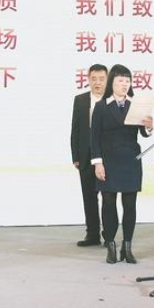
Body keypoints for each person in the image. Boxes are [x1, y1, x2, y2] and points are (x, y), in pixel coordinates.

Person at [91, 64, 154, 264]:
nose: (125, 84)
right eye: (120, 80)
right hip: (108, 161)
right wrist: (98, 163)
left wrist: (149, 127)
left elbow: (143, 133)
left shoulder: (135, 105)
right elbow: (94, 138)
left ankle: (127, 247)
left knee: (130, 204)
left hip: (130, 160)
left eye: (127, 81)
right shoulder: (101, 106)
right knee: (108, 204)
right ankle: (110, 245)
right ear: (112, 82)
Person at [70, 64, 108, 247]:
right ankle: (92, 234)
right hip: (85, 156)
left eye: (101, 79)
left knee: (108, 198)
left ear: (107, 80)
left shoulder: (112, 99)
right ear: (88, 79)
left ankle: (109, 235)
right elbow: (75, 129)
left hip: (107, 157)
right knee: (89, 197)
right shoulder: (81, 100)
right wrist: (76, 156)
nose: (97, 83)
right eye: (94, 79)